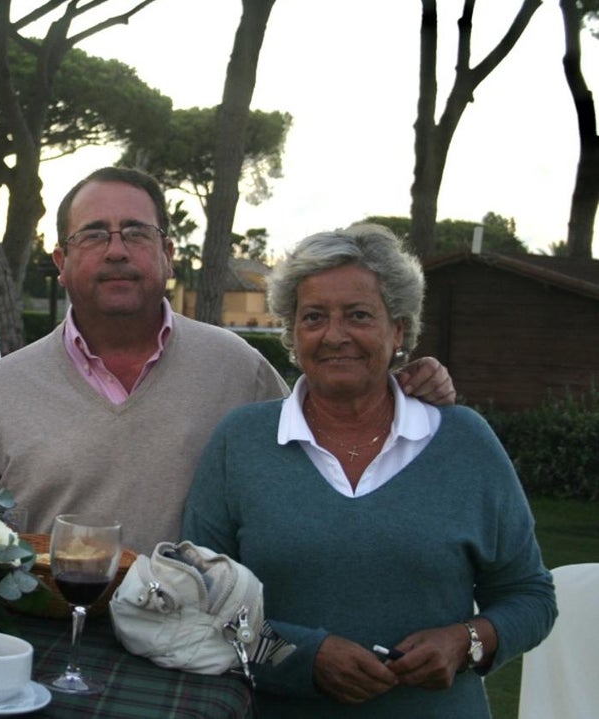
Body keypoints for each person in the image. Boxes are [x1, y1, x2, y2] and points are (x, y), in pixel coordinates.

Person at [0, 167, 455, 554]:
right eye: (93, 235)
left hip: (196, 657)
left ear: (168, 254)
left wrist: (400, 387)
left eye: (135, 232)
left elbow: (319, 463)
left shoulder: (237, 369)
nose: (115, 251)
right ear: (61, 263)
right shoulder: (3, 388)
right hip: (43, 649)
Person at [182, 223, 556, 717]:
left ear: (399, 329)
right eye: (314, 317)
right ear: (292, 332)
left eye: (359, 315)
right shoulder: (242, 442)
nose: (335, 335)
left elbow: (529, 596)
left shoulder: (464, 441)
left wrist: (467, 641)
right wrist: (302, 659)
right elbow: (198, 601)